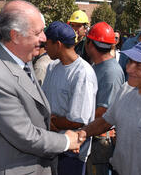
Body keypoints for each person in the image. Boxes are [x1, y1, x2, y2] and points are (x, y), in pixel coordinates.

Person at [0, 0, 85, 175]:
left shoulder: (22, 60)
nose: (44, 38)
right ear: (15, 35)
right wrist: (65, 141)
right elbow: (25, 136)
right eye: (38, 32)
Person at [82, 38, 141, 175]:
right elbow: (107, 120)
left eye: (138, 65)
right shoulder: (126, 89)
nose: (128, 68)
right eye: (130, 61)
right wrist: (82, 133)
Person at [42, 21, 97, 175]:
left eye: (47, 43)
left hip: (72, 153)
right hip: (52, 146)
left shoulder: (82, 73)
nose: (44, 47)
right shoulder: (52, 67)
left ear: (58, 44)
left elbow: (78, 119)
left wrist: (51, 122)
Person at [84, 22, 125, 175]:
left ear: (90, 44)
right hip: (92, 137)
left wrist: (76, 119)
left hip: (100, 142)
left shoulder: (111, 72)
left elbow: (105, 111)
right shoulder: (98, 66)